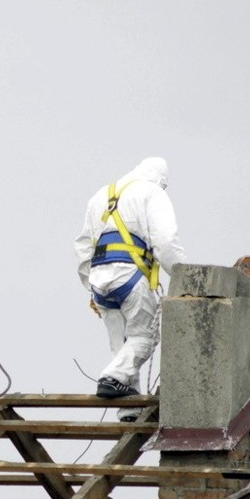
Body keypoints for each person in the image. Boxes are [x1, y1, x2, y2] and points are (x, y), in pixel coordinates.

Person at [74, 157, 185, 420]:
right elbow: (166, 242)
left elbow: (82, 247)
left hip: (99, 279)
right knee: (144, 337)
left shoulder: (101, 195)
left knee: (121, 344)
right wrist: (185, 276)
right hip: (131, 277)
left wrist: (90, 286)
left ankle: (130, 408)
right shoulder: (152, 191)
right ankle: (111, 378)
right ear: (161, 180)